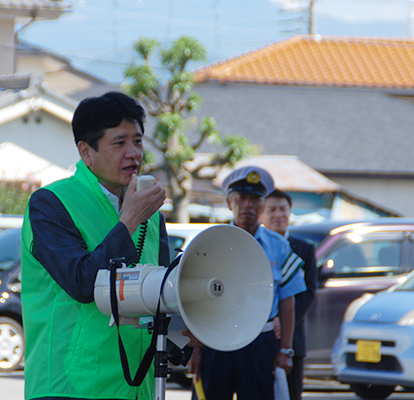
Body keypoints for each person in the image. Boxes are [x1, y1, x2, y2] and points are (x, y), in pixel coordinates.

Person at [21, 92, 170, 400]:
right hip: (69, 387)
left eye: (138, 141)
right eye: (120, 143)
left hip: (137, 387)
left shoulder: (151, 215)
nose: (134, 154)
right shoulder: (51, 203)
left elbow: (162, 291)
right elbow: (83, 283)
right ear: (86, 152)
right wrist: (129, 221)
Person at [190, 166, 306, 400]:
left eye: (255, 199)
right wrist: (195, 349)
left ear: (263, 205)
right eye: (241, 198)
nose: (248, 205)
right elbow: (195, 298)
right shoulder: (210, 242)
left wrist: (285, 350)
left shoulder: (279, 246)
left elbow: (287, 301)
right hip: (217, 337)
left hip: (259, 341)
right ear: (229, 202)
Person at [261, 189, 317, 400]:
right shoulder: (254, 246)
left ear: (290, 212)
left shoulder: (304, 249)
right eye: (271, 209)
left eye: (283, 209)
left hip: (292, 340)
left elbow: (308, 292)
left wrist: (282, 321)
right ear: (261, 213)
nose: (278, 214)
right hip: (259, 337)